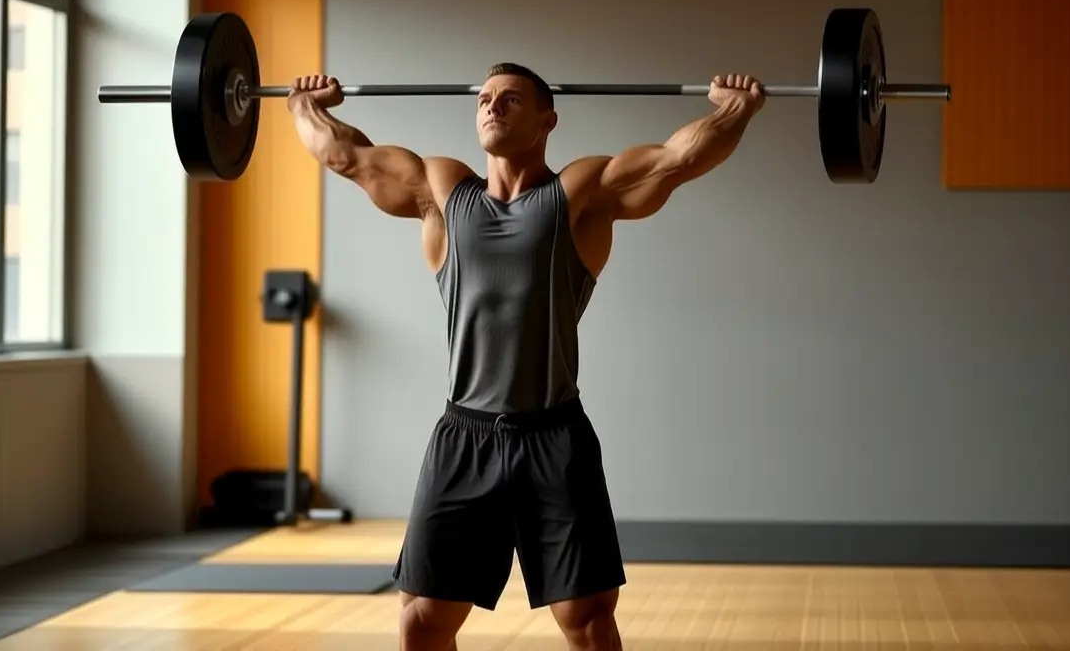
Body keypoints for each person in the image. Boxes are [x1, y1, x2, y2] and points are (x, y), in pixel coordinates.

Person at [288, 64, 765, 651]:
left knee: (587, 618)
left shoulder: (579, 195)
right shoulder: (443, 190)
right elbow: (347, 157)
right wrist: (305, 107)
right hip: (465, 438)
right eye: (485, 98)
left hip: (554, 438)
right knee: (421, 621)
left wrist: (734, 110)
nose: (493, 107)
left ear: (547, 121)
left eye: (512, 100)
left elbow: (676, 161)